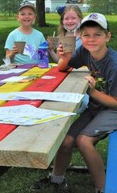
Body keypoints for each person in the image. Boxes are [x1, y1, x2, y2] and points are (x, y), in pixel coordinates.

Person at [31, 13, 117, 193]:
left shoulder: (113, 63)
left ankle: (102, 188)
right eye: (86, 35)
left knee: (84, 141)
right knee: (66, 140)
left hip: (112, 109)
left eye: (97, 34)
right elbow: (62, 67)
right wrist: (67, 54)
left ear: (107, 36)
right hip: (96, 107)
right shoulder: (85, 51)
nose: (91, 39)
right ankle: (57, 180)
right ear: (80, 36)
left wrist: (92, 92)